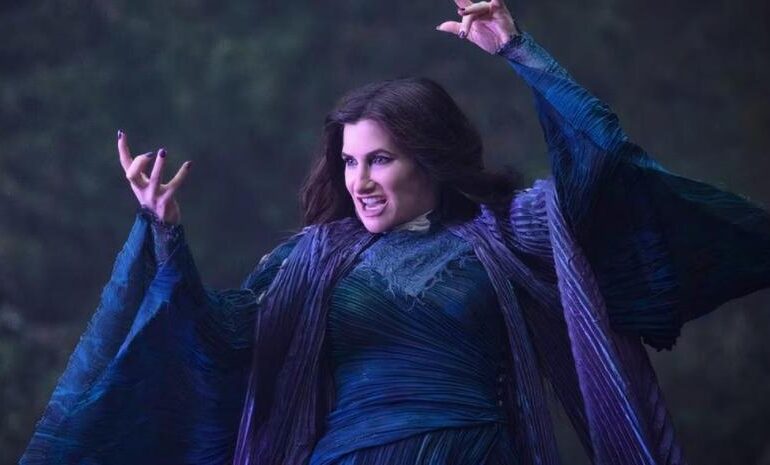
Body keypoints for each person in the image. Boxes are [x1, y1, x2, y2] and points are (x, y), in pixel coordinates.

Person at [21, 1, 770, 464]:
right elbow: (214, 341)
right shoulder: (309, 260)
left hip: (475, 452)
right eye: (349, 162)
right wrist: (166, 235)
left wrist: (520, 52)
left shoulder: (509, 234)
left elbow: (600, 160)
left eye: (380, 158)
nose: (360, 180)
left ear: (431, 158)